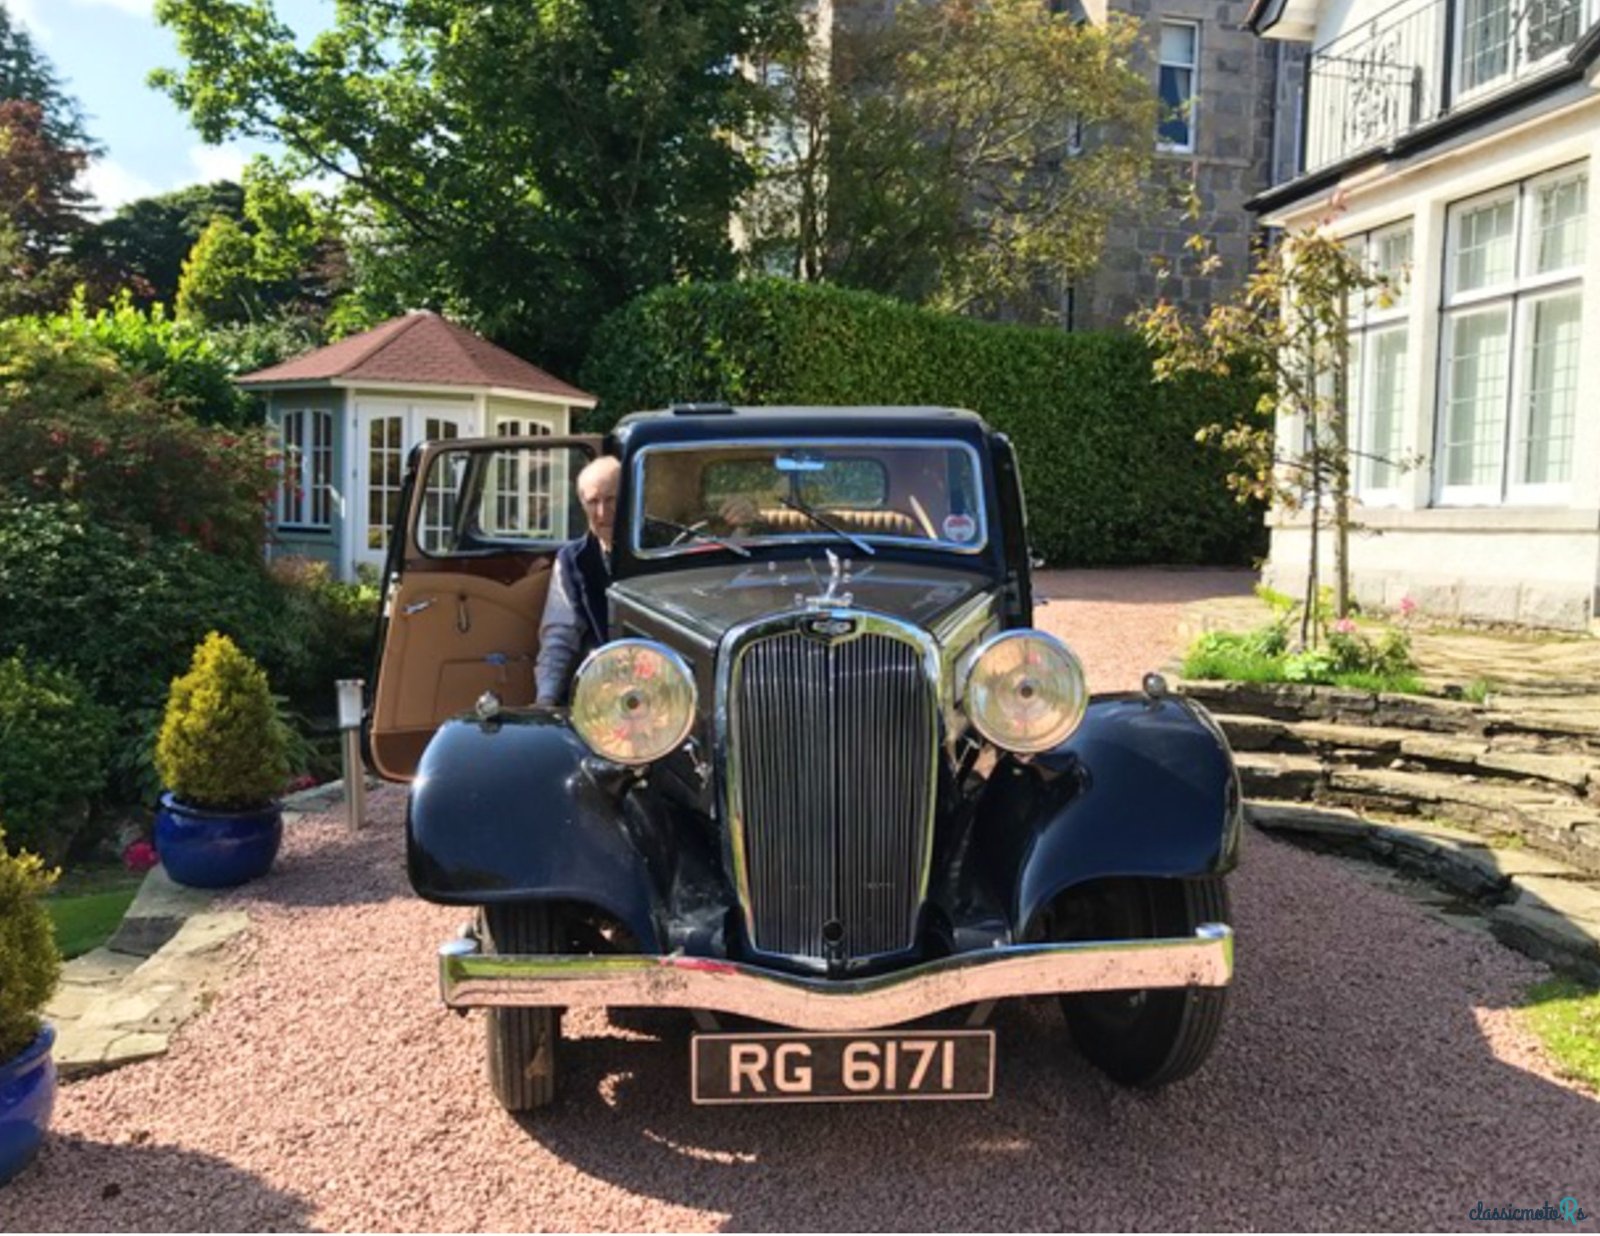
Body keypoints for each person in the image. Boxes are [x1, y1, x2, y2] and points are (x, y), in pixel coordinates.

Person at [534, 455, 620, 707]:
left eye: (612, 499)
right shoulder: (573, 560)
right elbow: (559, 637)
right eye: (593, 502)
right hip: (601, 689)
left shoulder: (662, 549)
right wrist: (545, 700)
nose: (603, 513)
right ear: (583, 506)